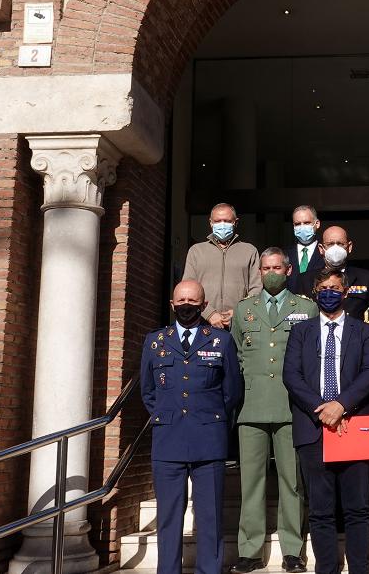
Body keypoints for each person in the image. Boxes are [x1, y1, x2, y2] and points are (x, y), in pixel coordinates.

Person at [140, 280, 243, 574]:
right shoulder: (155, 341)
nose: (186, 305)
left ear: (203, 304)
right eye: (181, 300)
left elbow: (231, 390)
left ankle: (209, 570)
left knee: (209, 515)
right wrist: (167, 414)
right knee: (169, 516)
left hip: (208, 438)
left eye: (192, 300)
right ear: (172, 305)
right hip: (168, 439)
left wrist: (209, 418)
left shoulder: (221, 341)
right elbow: (148, 391)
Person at [282, 267, 369, 574]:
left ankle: (359, 569)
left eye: (335, 288)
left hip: (354, 425)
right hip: (313, 427)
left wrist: (341, 405)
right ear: (314, 293)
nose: (329, 292)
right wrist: (323, 408)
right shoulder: (301, 331)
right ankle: (326, 569)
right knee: (321, 511)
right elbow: (291, 376)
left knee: (357, 508)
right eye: (323, 287)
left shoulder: (362, 331)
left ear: (346, 292)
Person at [229, 248, 315, 574]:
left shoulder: (305, 308)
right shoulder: (243, 310)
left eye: (277, 267)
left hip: (292, 407)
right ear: (259, 272)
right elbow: (237, 355)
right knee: (251, 483)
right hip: (251, 407)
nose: (271, 272)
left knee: (292, 482)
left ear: (288, 269)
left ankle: (292, 550)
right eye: (265, 268)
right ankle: (250, 551)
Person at [182, 202, 261, 329]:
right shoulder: (196, 251)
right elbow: (188, 289)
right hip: (202, 323)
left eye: (227, 220)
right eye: (218, 221)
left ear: (235, 222)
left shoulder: (249, 251)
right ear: (211, 223)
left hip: (239, 324)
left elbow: (256, 289)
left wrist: (238, 312)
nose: (222, 224)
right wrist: (209, 314)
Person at [315, 225, 369, 334]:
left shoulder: (366, 278)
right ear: (321, 249)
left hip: (355, 342)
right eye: (330, 244)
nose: (335, 248)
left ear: (349, 247)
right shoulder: (306, 279)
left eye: (340, 244)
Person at [287, 205, 324, 296]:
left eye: (307, 223)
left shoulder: (325, 254)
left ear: (317, 224)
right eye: (297, 224)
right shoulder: (285, 255)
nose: (302, 227)